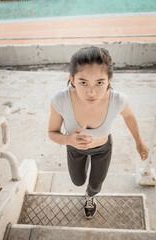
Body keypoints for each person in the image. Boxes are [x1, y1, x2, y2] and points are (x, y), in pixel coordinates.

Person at [48, 46, 149, 219]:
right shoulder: (60, 100)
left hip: (102, 150)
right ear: (72, 79)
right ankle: (83, 172)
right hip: (74, 149)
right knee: (77, 180)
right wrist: (69, 139)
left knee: (95, 184)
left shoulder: (118, 100)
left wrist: (139, 142)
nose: (92, 92)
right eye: (83, 82)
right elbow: (52, 132)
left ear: (109, 79)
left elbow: (129, 117)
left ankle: (90, 197)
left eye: (99, 82)